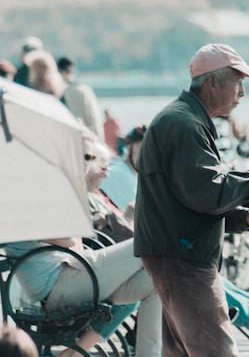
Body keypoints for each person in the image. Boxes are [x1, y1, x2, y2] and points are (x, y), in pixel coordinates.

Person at [134, 43, 249, 357]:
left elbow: (192, 199)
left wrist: (246, 218)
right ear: (214, 83)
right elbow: (210, 194)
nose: (242, 93)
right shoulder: (184, 125)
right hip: (184, 261)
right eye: (239, 82)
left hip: (175, 256)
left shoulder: (183, 119)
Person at [4, 130, 163, 357]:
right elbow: (67, 237)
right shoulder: (23, 197)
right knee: (152, 243)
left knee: (155, 280)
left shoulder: (25, 194)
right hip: (61, 282)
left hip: (68, 276)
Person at [57, 56, 105, 138]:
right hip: (88, 138)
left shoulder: (57, 91)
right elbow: (94, 118)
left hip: (69, 139)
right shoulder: (85, 90)